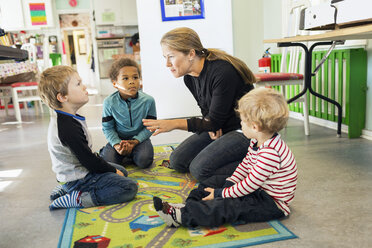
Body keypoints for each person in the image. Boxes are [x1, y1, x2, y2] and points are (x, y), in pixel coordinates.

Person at [153, 88, 297, 228]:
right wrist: (230, 182)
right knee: (214, 181)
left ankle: (183, 216)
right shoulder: (256, 141)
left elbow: (250, 185)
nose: (240, 123)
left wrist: (222, 193)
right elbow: (245, 165)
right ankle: (192, 206)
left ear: (255, 127)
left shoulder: (270, 154)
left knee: (228, 207)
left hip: (269, 202)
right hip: (257, 188)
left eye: (242, 121)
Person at [143, 27, 255, 182]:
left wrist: (174, 123)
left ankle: (257, 165)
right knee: (178, 160)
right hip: (222, 127)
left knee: (199, 170)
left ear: (191, 54)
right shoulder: (189, 77)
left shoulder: (222, 72)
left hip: (247, 130)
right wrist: (211, 124)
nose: (167, 64)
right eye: (165, 57)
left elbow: (213, 121)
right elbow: (207, 112)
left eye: (171, 57)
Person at [38, 65, 138, 210]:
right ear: (62, 97)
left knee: (122, 171)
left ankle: (67, 188)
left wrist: (112, 170)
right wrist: (111, 171)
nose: (84, 87)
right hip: (79, 177)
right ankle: (79, 197)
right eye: (78, 84)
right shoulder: (68, 128)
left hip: (74, 172)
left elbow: (86, 157)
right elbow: (89, 161)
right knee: (129, 187)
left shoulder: (67, 118)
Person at [100, 58, 156, 169]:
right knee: (109, 163)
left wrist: (135, 141)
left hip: (140, 140)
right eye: (125, 78)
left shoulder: (149, 101)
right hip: (118, 139)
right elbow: (107, 128)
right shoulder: (109, 102)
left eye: (135, 77)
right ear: (115, 83)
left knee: (144, 161)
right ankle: (121, 152)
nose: (132, 81)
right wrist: (116, 144)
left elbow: (150, 126)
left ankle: (130, 153)